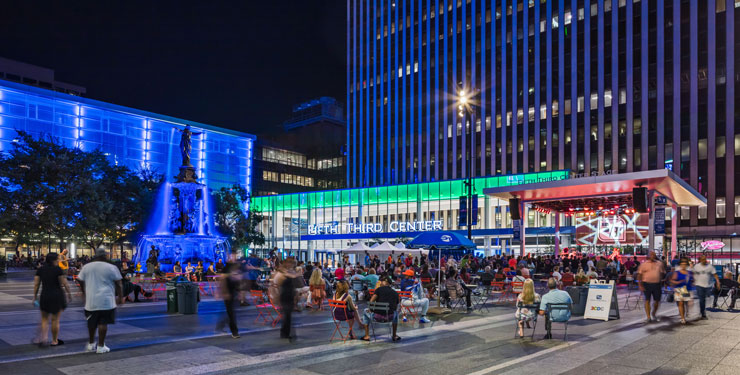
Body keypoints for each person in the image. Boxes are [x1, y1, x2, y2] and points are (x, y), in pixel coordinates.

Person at [77, 247, 123, 353]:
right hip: (106, 300)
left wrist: (84, 293)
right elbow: (119, 284)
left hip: (90, 300)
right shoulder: (111, 267)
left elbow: (80, 280)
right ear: (104, 255)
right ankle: (101, 346)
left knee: (91, 323)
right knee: (103, 322)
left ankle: (91, 343)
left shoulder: (86, 267)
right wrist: (120, 297)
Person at [32, 253, 72, 347]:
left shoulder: (40, 269)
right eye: (58, 259)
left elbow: (36, 284)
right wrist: (69, 294)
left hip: (45, 295)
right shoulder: (58, 270)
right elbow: (65, 283)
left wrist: (34, 296)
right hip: (56, 296)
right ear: (53, 260)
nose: (59, 260)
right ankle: (54, 341)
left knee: (44, 319)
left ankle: (44, 338)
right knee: (55, 320)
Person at [359, 275, 401, 342]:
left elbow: (371, 302)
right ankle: (394, 335)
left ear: (384, 282)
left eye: (381, 281)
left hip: (376, 317)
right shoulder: (395, 293)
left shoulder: (378, 290)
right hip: (389, 317)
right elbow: (395, 307)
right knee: (396, 312)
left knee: (365, 311)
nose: (380, 283)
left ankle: (367, 336)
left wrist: (371, 309)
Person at [273, 258, 299, 341]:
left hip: (289, 295)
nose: (293, 266)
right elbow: (275, 284)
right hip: (284, 296)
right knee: (287, 316)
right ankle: (286, 333)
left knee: (288, 316)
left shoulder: (287, 271)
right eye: (292, 264)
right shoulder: (282, 272)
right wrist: (276, 297)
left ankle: (285, 333)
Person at [637, 251, 666, 323]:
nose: (653, 256)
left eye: (654, 255)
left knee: (657, 301)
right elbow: (639, 275)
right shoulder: (644, 264)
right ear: (648, 256)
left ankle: (653, 313)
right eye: (651, 255)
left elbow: (662, 273)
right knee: (647, 300)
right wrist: (640, 285)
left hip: (657, 284)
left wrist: (660, 280)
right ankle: (648, 317)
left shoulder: (659, 264)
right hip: (646, 284)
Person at [216, 260, 241, 338]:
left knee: (230, 312)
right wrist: (223, 292)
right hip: (228, 293)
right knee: (231, 313)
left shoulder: (235, 270)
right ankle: (234, 331)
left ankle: (221, 325)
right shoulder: (226, 269)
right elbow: (222, 281)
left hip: (233, 293)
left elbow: (237, 281)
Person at [692, 255, 720, 319]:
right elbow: (693, 273)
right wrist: (693, 280)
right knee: (702, 299)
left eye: (705, 259)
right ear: (700, 260)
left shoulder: (710, 267)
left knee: (707, 298)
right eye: (702, 259)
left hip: (708, 285)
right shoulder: (696, 266)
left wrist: (718, 282)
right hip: (699, 285)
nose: (704, 260)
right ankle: (703, 313)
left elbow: (715, 275)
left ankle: (704, 309)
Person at [670, 257, 693, 324]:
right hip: (679, 289)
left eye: (684, 264)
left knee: (686, 304)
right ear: (680, 265)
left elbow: (693, 280)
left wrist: (692, 282)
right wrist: (677, 282)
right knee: (680, 303)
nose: (683, 266)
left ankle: (685, 313)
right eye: (682, 264)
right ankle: (682, 318)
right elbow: (672, 280)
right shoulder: (677, 272)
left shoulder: (689, 272)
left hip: (686, 289)